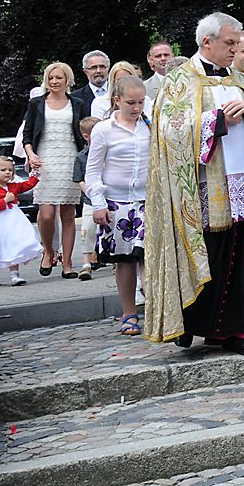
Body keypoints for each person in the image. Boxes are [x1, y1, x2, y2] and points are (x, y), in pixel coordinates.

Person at [144, 11, 244, 356]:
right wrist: (215, 121)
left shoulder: (240, 80)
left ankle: (241, 332)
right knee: (209, 254)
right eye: (230, 43)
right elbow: (169, 133)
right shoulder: (180, 81)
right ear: (207, 42)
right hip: (203, 189)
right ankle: (193, 324)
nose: (235, 49)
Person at [85, 76, 150, 335]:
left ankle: (156, 310)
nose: (136, 108)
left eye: (140, 102)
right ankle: (129, 312)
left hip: (147, 199)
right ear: (117, 101)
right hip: (117, 201)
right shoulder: (104, 130)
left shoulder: (150, 126)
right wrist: (98, 203)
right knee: (125, 260)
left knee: (149, 257)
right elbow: (93, 170)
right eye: (130, 103)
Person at [23, 62, 85, 279]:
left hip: (69, 159)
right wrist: (31, 155)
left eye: (59, 77)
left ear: (67, 80)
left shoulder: (77, 103)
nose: (54, 81)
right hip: (45, 160)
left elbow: (83, 132)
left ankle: (67, 263)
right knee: (47, 214)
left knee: (68, 214)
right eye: (51, 78)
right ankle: (48, 251)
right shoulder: (37, 103)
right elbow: (27, 134)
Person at [0, 156, 42, 286]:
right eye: (3, 170)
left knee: (14, 244)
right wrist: (5, 201)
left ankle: (15, 275)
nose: (7, 172)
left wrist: (35, 172)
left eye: (10, 170)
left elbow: (28, 184)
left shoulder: (13, 186)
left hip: (13, 222)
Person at [73, 117, 102, 281]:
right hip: (90, 200)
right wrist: (90, 192)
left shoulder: (108, 152)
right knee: (87, 230)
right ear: (86, 136)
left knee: (110, 230)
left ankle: (115, 262)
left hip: (109, 198)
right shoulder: (81, 157)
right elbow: (79, 179)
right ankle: (86, 264)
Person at [72, 50, 110, 117]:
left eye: (102, 66)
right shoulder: (75, 98)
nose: (98, 71)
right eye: (93, 67)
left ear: (108, 69)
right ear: (85, 71)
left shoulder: (118, 92)